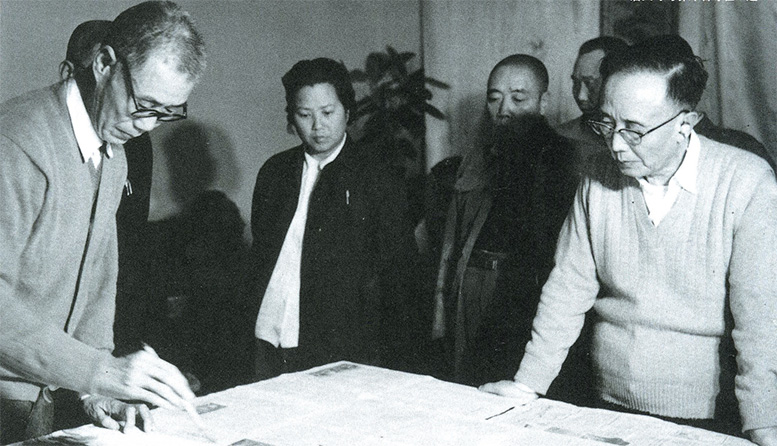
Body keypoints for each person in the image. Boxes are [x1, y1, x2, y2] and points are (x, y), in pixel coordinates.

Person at [480, 35, 777, 446]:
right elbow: (567, 289)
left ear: (685, 124)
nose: (616, 145)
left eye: (634, 131)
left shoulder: (746, 181)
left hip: (707, 417)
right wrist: (528, 384)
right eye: (608, 124)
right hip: (606, 404)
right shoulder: (597, 177)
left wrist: (763, 422)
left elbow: (760, 321)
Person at [0, 1, 206, 442]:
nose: (148, 126)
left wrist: (96, 390)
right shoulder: (16, 143)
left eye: (167, 112)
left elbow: (96, 283)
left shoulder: (112, 157)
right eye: (144, 104)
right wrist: (100, 371)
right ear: (104, 64)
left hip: (37, 393)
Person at [249, 58, 417, 381]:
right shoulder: (274, 172)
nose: (318, 127)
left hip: (340, 343)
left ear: (347, 111)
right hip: (269, 329)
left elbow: (397, 274)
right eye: (305, 115)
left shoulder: (377, 176)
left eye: (328, 113)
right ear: (291, 118)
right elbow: (262, 255)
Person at [431, 55, 582, 393]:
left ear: (543, 102)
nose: (504, 110)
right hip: (472, 283)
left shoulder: (559, 156)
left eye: (518, 98)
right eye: (494, 98)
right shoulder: (480, 154)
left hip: (522, 292)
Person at [58, 19, 157, 358]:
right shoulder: (35, 140)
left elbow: (130, 233)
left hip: (112, 306)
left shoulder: (133, 142)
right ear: (69, 72)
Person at [556, 36, 628, 173]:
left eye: (590, 84)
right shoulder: (560, 138)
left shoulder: (642, 137)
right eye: (576, 83)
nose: (580, 96)